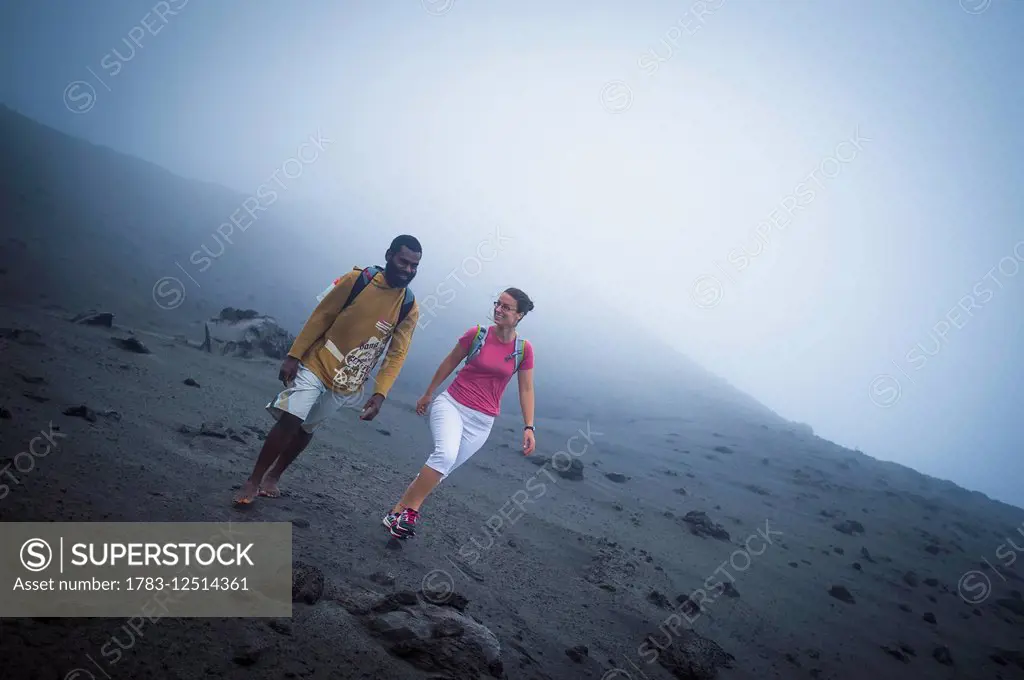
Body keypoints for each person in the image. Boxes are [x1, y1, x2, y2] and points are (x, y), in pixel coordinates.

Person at [232, 235, 422, 505]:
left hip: (349, 379)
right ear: (389, 255)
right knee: (292, 416)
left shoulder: (408, 306)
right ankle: (253, 480)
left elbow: (397, 353)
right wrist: (294, 355)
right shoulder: (357, 280)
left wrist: (380, 393)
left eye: (414, 266)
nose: (408, 270)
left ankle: (274, 475)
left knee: (306, 428)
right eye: (404, 262)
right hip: (318, 360)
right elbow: (321, 315)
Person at [383, 287, 536, 539]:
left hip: (482, 422)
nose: (498, 309)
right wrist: (429, 393)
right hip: (452, 405)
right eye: (498, 304)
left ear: (519, 315)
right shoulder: (477, 334)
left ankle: (396, 512)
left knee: (441, 471)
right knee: (444, 455)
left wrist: (529, 426)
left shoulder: (523, 350)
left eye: (506, 307)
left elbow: (526, 389)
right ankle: (412, 512)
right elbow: (449, 362)